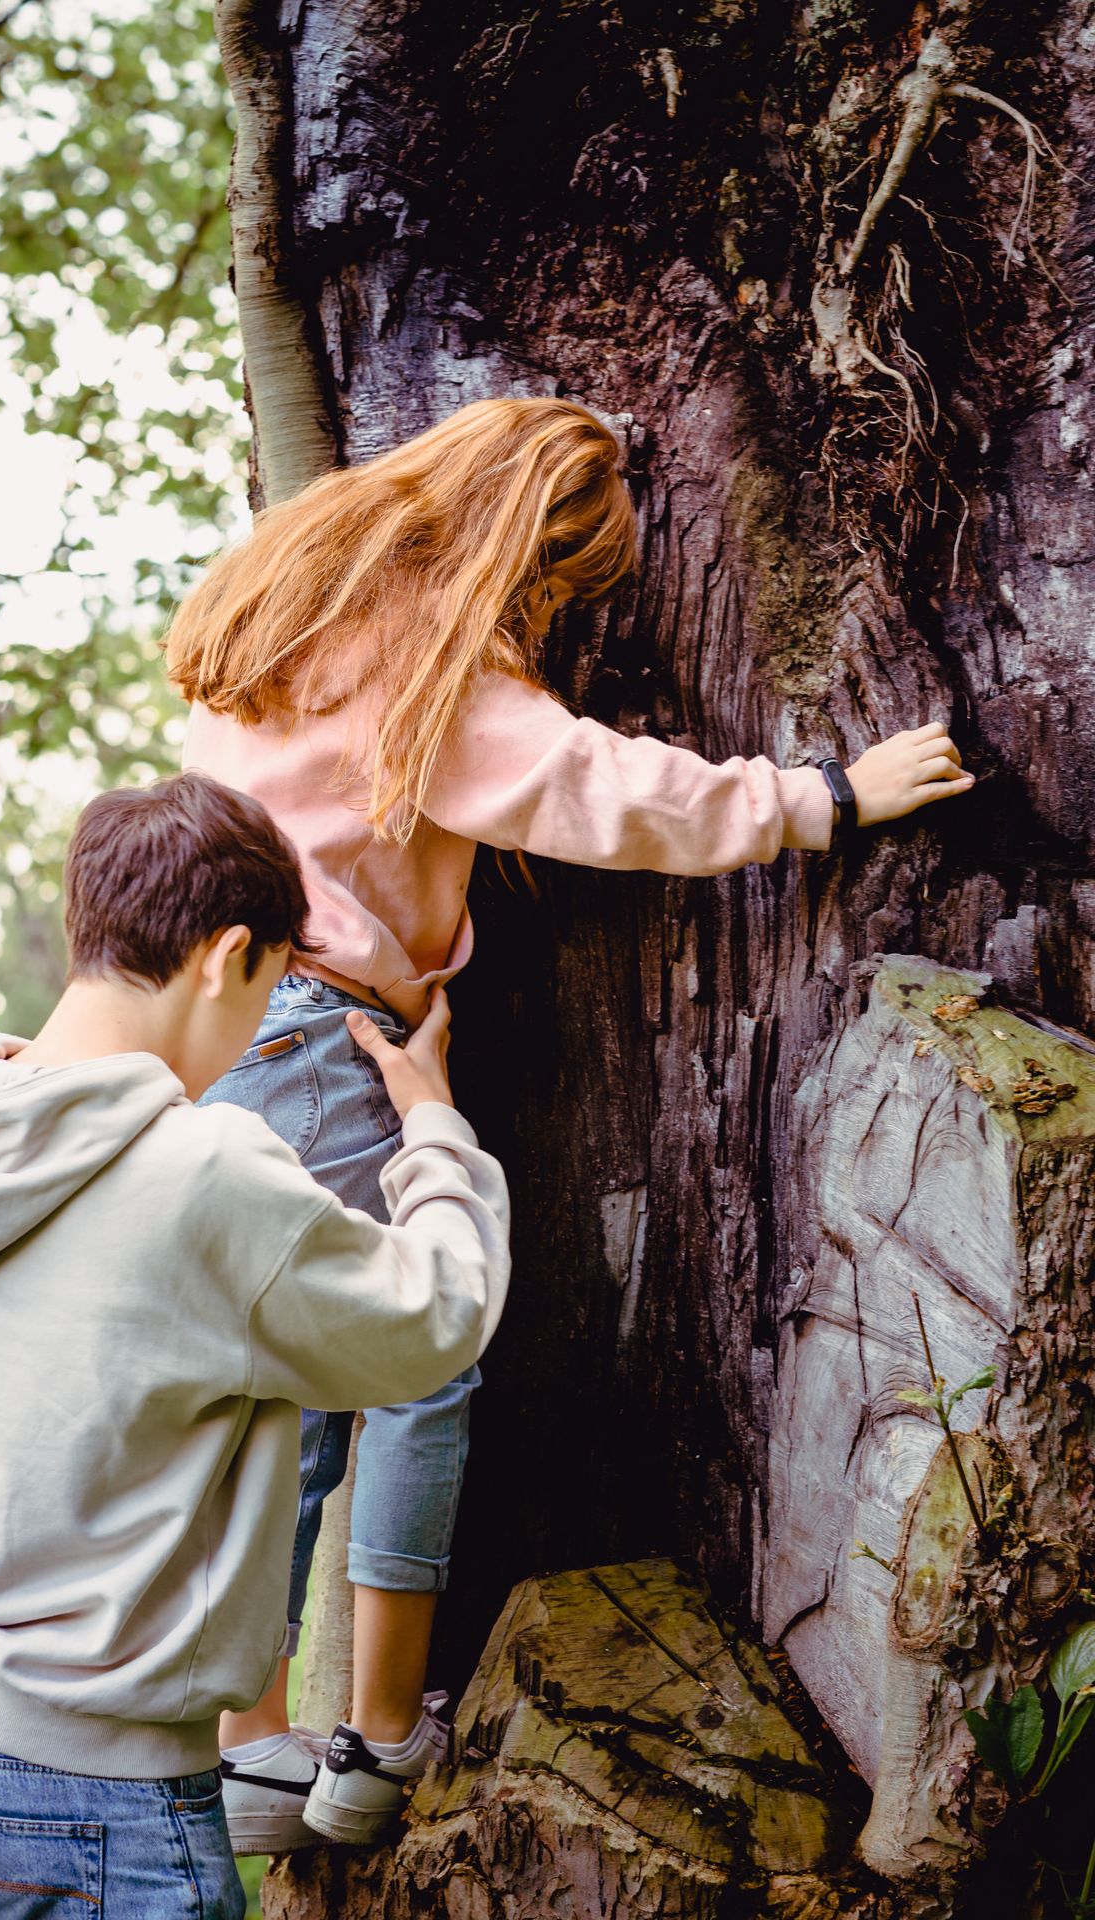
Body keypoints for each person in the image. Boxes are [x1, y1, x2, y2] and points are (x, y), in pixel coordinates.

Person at [164, 393, 977, 1850]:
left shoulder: (296, 611)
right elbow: (599, 786)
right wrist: (822, 798)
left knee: (274, 1393)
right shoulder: (437, 676)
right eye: (564, 583)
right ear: (523, 551)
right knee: (420, 1348)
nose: (559, 612)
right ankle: (381, 1733)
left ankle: (252, 1752)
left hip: (227, 1027)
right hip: (329, 1026)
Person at [0, 771, 510, 1919]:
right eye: (272, 988)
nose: (259, 1029)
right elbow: (432, 1320)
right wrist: (433, 1127)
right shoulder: (199, 1173)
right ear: (226, 955)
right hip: (96, 1801)